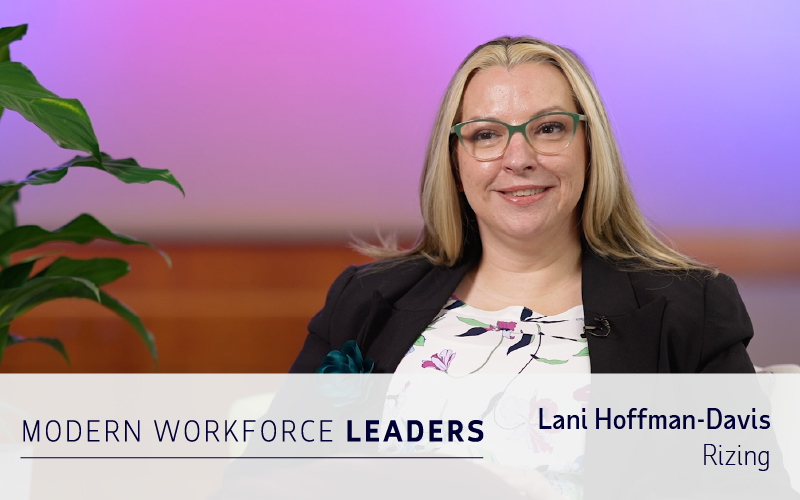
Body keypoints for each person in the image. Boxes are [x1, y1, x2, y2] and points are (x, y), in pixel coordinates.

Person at [289, 36, 755, 375]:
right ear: (454, 161)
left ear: (589, 147)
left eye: (549, 128)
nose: (519, 159)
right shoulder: (365, 299)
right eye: (486, 134)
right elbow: (273, 473)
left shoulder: (691, 308)